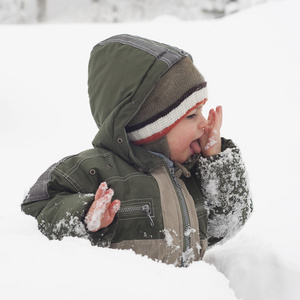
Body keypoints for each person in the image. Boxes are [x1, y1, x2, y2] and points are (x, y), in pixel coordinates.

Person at [21, 34, 253, 267]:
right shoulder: (95, 169)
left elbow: (226, 224)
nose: (204, 124)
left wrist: (216, 161)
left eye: (202, 111)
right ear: (150, 130)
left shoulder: (191, 175)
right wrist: (83, 217)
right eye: (192, 115)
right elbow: (35, 213)